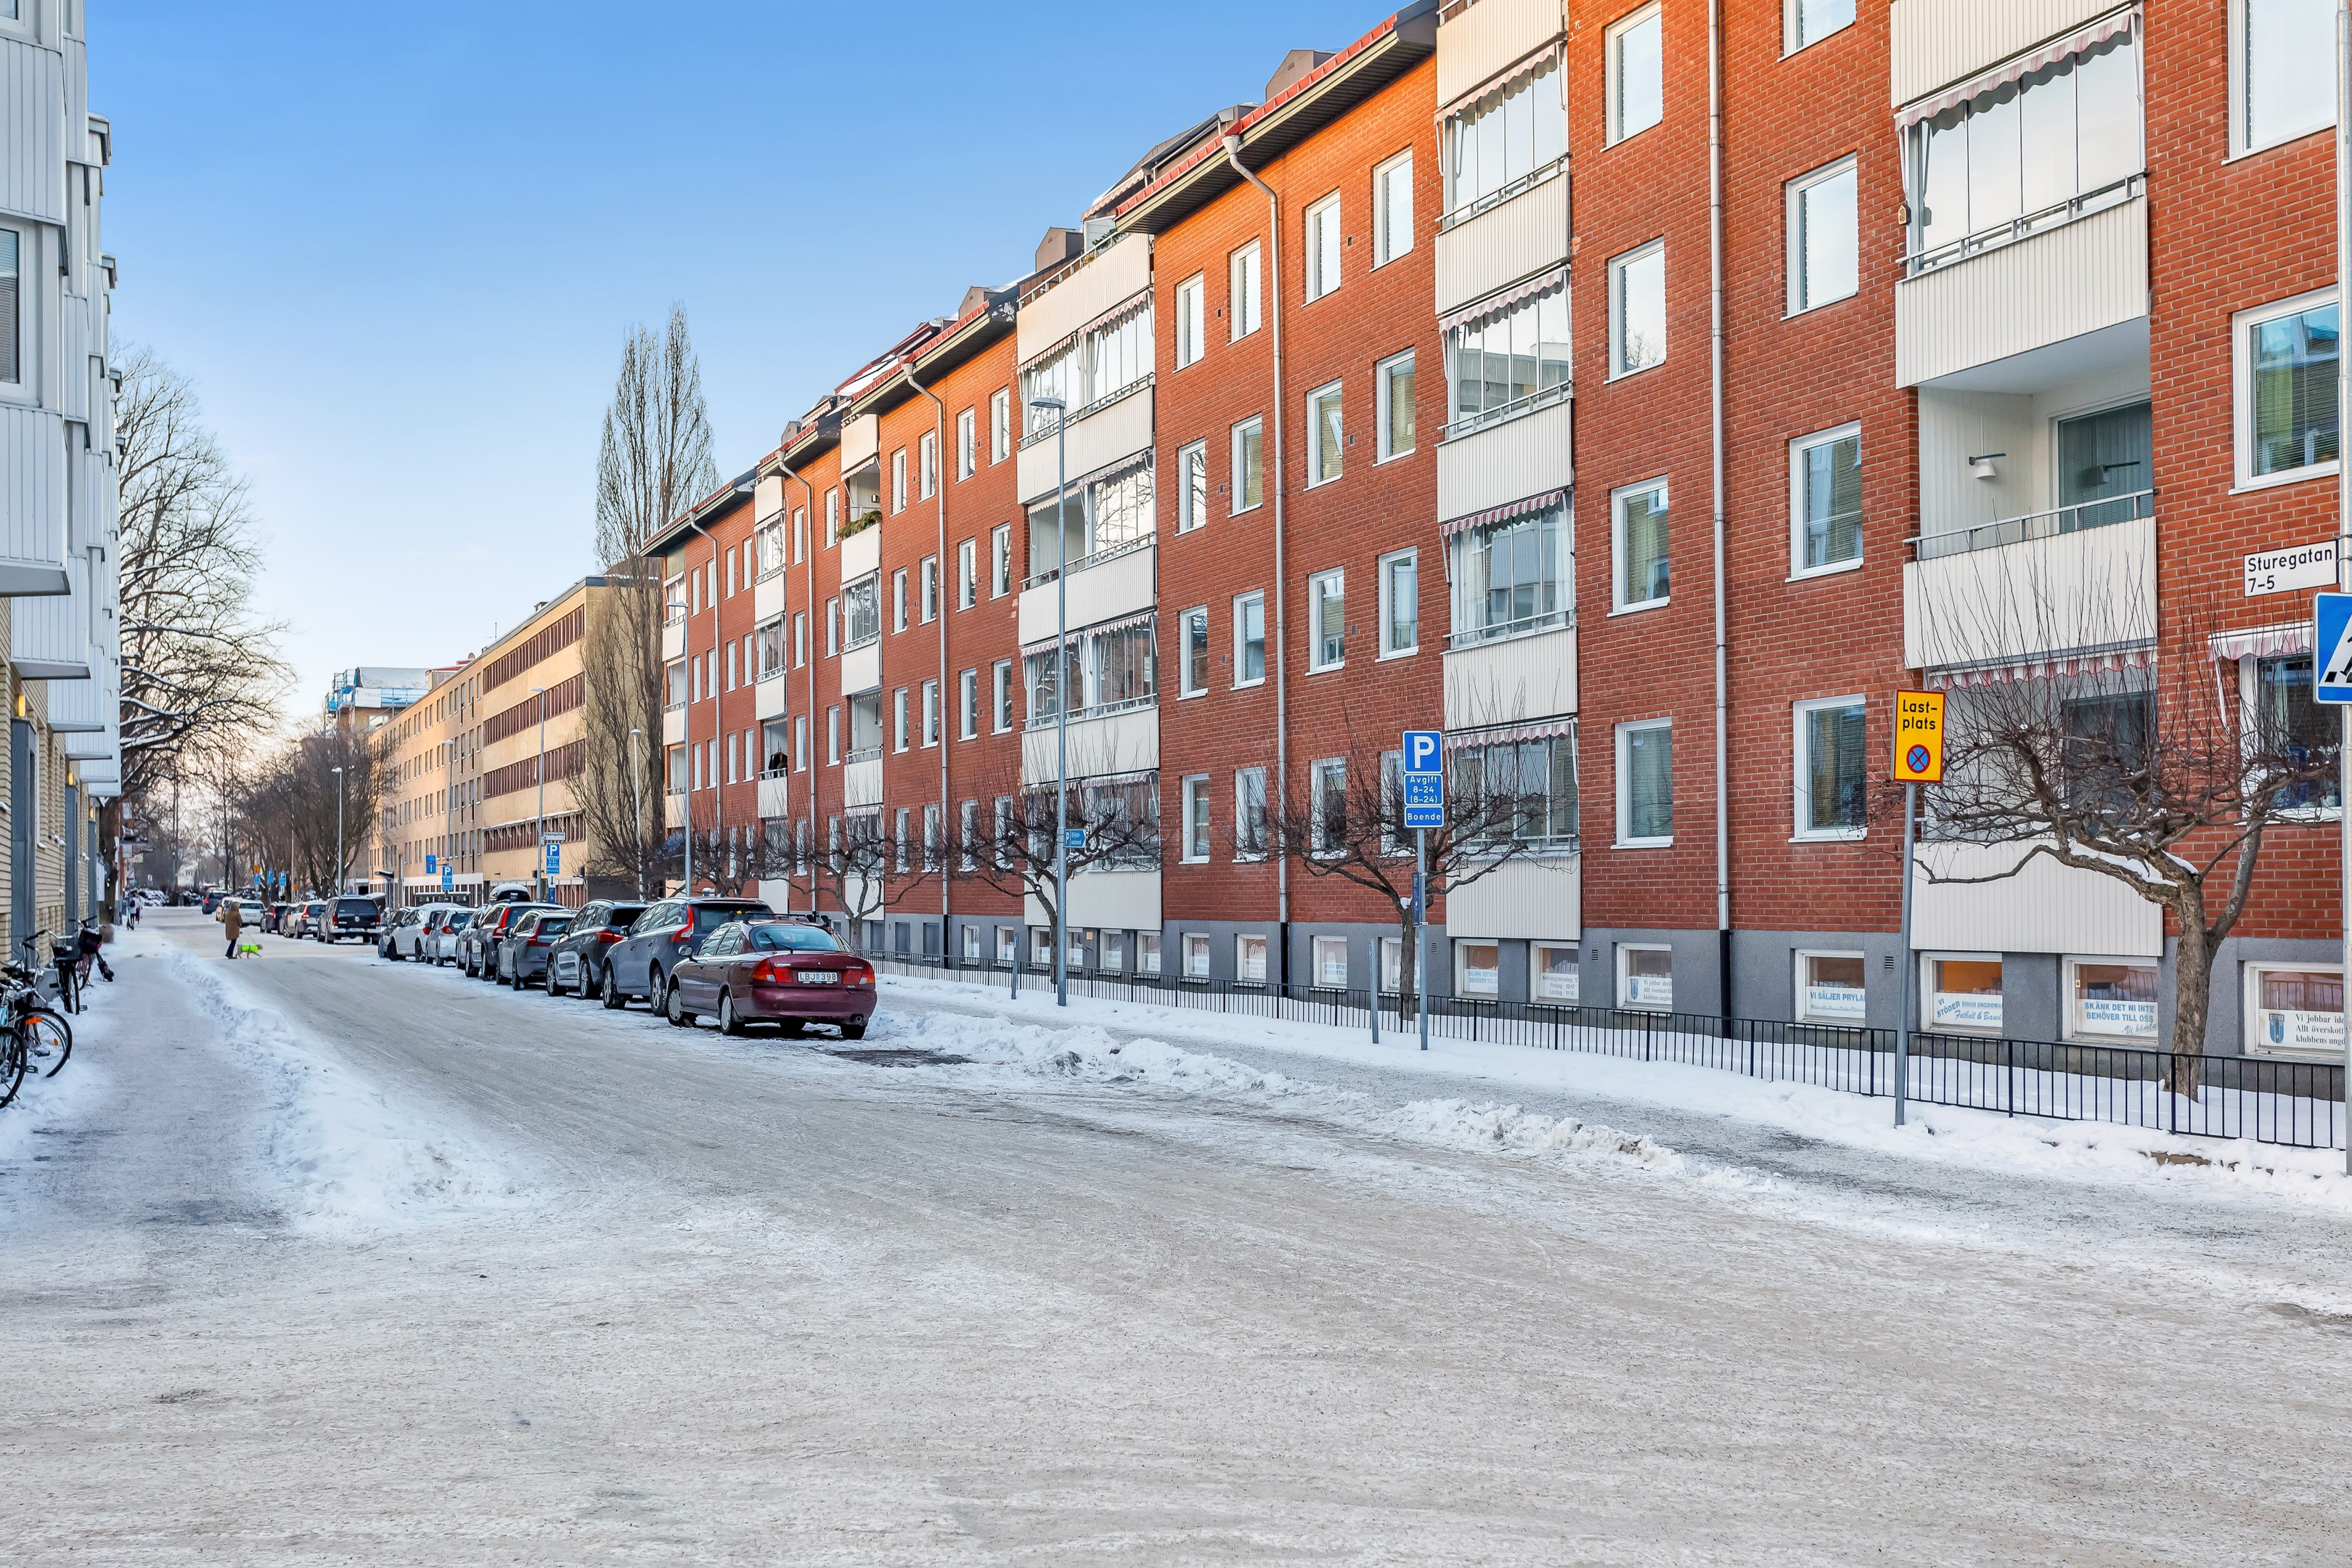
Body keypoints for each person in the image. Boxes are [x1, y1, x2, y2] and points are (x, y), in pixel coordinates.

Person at [221, 895, 243, 960]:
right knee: (233, 942)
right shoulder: (237, 914)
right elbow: (241, 921)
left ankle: (229, 953)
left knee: (232, 942)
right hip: (235, 930)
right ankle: (229, 954)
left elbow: (225, 920)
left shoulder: (228, 913)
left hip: (228, 930)